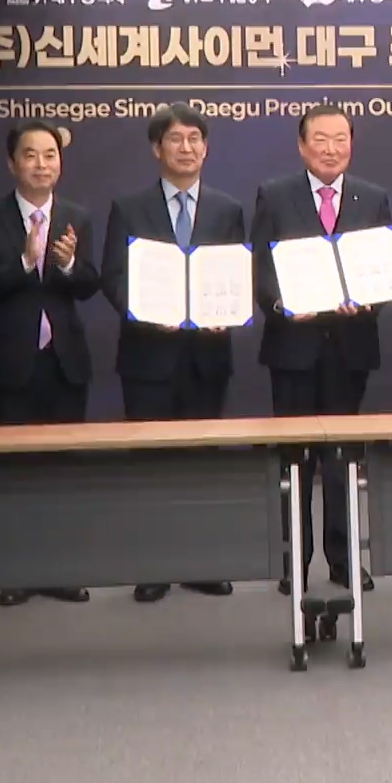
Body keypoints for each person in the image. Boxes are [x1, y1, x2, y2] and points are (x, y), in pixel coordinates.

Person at [101, 103, 243, 603]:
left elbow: (236, 275)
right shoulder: (129, 207)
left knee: (202, 464)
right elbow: (113, 277)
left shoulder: (227, 209)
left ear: (206, 148)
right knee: (152, 465)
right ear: (156, 149)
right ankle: (154, 567)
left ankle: (201, 564)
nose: (186, 148)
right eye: (176, 139)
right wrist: (143, 312)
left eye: (195, 139)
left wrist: (230, 309)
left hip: (207, 356)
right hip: (148, 358)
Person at [251, 104, 391, 595]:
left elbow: (383, 266)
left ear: (352, 143)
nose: (331, 149)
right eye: (321, 139)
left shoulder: (373, 197)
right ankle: (295, 562)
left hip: (350, 347)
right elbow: (261, 268)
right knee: (295, 460)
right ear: (301, 145)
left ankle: (344, 559)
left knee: (342, 459)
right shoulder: (275, 195)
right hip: (293, 347)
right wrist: (282, 304)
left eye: (340, 139)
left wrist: (369, 301)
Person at [0, 119, 101, 606]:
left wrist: (66, 264)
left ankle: (60, 569)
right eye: (30, 154)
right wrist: (24, 262)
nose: (42, 164)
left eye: (50, 155)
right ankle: (17, 572)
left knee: (62, 471)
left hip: (65, 362)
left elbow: (89, 284)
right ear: (11, 163)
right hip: (9, 363)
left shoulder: (77, 217)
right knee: (15, 471)